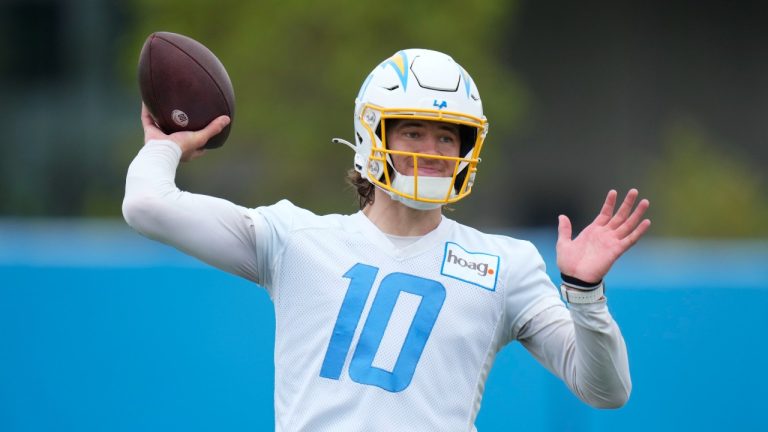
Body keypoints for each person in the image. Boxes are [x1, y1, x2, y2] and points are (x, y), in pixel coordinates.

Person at [123, 48, 650, 431]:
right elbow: (146, 206)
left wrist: (585, 295)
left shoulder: (503, 264)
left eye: (447, 136)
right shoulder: (295, 239)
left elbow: (606, 390)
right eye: (413, 132)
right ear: (372, 135)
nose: (433, 151)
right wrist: (165, 146)